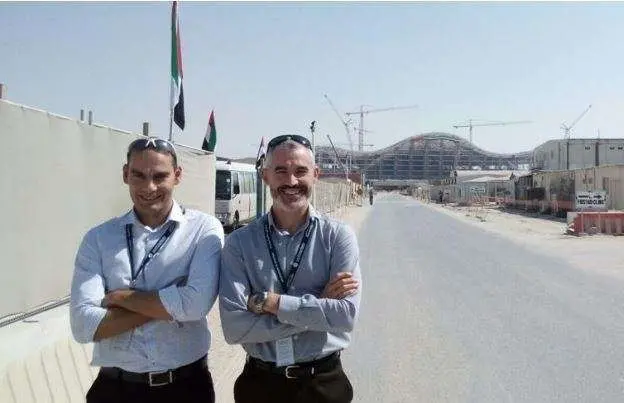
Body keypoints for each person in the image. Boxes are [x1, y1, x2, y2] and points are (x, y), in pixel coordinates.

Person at [70, 137, 224, 403]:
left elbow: (196, 305)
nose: (149, 187)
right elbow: (83, 325)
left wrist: (121, 299)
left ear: (177, 176)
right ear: (125, 174)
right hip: (116, 389)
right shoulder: (99, 239)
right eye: (138, 176)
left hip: (186, 388)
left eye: (159, 176)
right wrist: (172, 302)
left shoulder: (203, 230)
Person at [219, 134, 362, 403]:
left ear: (315, 174)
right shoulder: (239, 243)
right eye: (281, 171)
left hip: (323, 385)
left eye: (300, 171)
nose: (291, 181)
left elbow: (345, 316)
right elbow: (234, 329)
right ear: (266, 176)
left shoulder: (338, 237)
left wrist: (272, 303)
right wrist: (318, 308)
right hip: (260, 386)